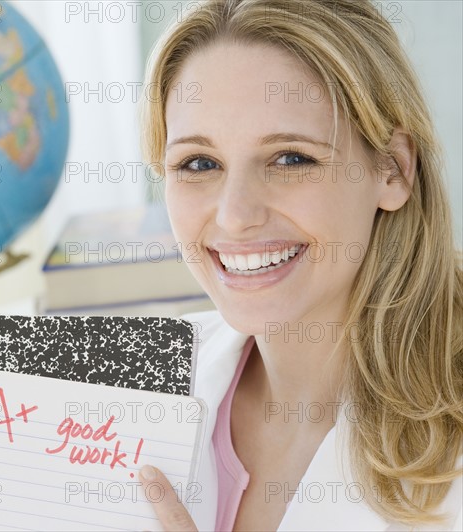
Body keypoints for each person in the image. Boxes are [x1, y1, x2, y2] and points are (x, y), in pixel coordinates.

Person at [135, 0, 463, 530]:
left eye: (290, 159)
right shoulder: (122, 383)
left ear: (393, 170)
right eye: (199, 163)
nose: (236, 215)